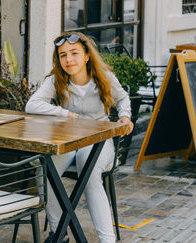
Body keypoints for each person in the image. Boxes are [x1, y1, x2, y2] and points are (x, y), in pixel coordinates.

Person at [25, 32, 134, 243]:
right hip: (67, 142)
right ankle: (59, 233)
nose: (69, 60)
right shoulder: (57, 80)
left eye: (74, 53)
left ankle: (107, 240)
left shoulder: (104, 77)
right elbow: (32, 105)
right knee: (46, 168)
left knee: (88, 167)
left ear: (86, 56)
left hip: (99, 142)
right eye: (63, 55)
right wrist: (64, 114)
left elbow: (123, 98)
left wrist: (124, 116)